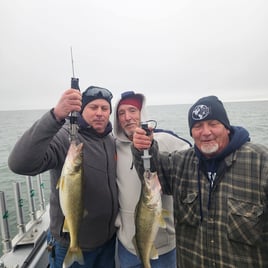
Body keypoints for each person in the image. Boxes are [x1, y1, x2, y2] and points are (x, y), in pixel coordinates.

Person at [131, 95, 268, 268]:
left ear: (226, 127)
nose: (205, 132)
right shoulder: (180, 163)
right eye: (197, 126)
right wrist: (143, 147)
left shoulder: (262, 162)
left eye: (213, 124)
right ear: (191, 132)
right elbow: (151, 172)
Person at [8, 86, 119, 268]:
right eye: (93, 107)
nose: (99, 113)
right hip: (69, 244)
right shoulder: (65, 137)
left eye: (104, 108)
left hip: (107, 243)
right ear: (82, 110)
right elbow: (19, 163)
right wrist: (55, 116)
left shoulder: (110, 140)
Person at [113, 91, 191, 268]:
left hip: (165, 246)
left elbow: (195, 163)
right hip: (127, 245)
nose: (127, 117)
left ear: (142, 113)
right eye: (121, 113)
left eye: (133, 110)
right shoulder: (113, 147)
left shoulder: (167, 140)